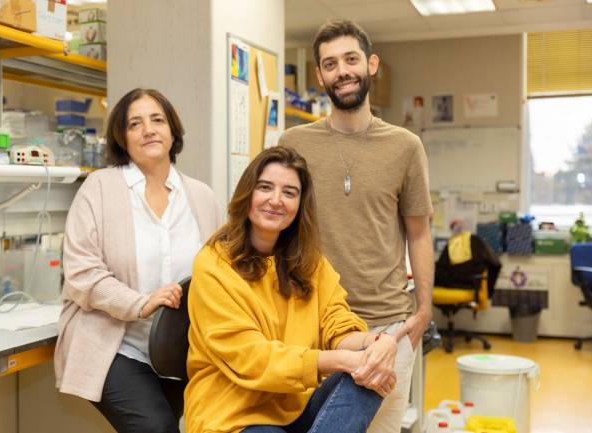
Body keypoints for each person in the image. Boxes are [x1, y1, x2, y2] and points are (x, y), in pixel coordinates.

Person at [278, 20, 434, 433]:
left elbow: (418, 232)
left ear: (371, 64)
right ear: (319, 76)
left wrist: (422, 312)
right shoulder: (293, 143)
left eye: (351, 59)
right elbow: (277, 226)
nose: (342, 71)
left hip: (388, 326)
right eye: (330, 64)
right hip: (314, 327)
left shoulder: (405, 146)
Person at [184, 146, 398, 433]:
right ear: (247, 193)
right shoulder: (214, 264)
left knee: (369, 378)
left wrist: (376, 344)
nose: (275, 200)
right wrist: (336, 360)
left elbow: (337, 322)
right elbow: (251, 359)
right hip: (233, 414)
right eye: (265, 187)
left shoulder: (310, 262)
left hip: (296, 405)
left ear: (300, 205)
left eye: (289, 192)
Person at [54, 88, 222, 433]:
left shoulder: (202, 197)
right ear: (122, 137)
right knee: (157, 427)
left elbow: (224, 268)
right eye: (135, 123)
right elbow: (81, 272)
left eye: (157, 120)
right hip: (115, 343)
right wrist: (140, 304)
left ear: (172, 130)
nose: (148, 129)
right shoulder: (99, 188)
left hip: (180, 348)